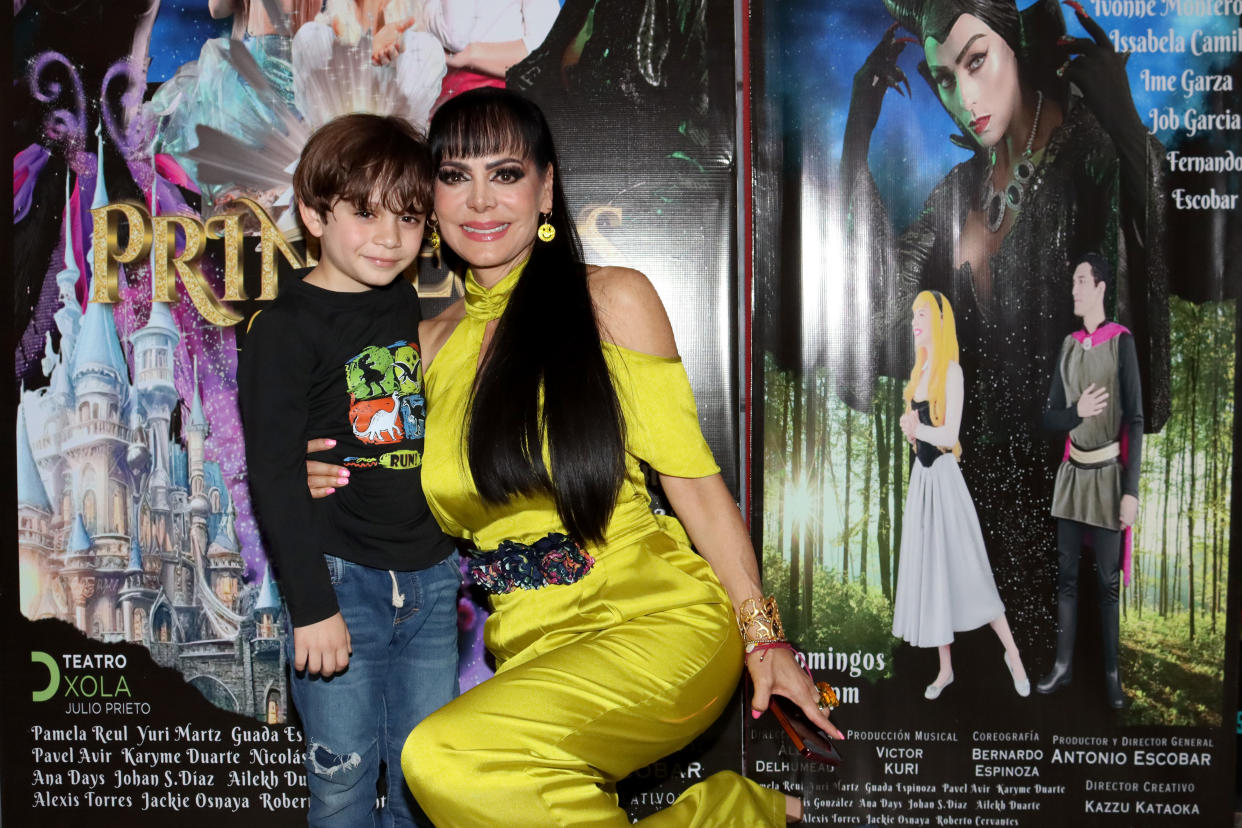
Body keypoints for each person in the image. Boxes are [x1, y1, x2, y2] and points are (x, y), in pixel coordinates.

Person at [306, 87, 840, 826]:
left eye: (506, 173)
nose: (481, 200)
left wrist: (764, 634)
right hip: (530, 648)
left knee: (438, 756)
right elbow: (388, 503)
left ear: (547, 187)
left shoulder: (612, 301)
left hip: (658, 621)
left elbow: (693, 482)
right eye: (455, 176)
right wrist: (325, 474)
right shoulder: (423, 350)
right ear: (430, 197)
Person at [839, 0, 1168, 657]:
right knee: (966, 686)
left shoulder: (1088, 156)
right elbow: (884, 303)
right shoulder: (955, 192)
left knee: (1053, 686)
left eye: (976, 59)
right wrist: (858, 126)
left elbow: (1147, 239)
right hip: (969, 488)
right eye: (943, 78)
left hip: (1062, 490)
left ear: (1015, 46)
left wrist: (1125, 123)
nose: (963, 95)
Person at [238, 113, 460, 828]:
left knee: (425, 777)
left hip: (430, 578)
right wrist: (311, 607)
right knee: (342, 777)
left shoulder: (400, 299)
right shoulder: (282, 328)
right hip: (340, 582)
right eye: (364, 213)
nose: (390, 238)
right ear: (312, 212)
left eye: (408, 217)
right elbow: (273, 476)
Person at [893, 291, 1029, 699]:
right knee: (933, 574)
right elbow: (920, 440)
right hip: (923, 481)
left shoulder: (951, 371)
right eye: (912, 314)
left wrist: (916, 430)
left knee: (972, 570)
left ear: (937, 319)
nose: (914, 321)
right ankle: (945, 669)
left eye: (921, 314)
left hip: (947, 481)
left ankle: (1014, 655)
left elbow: (951, 435)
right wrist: (911, 434)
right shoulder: (919, 375)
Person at [1036, 253, 1142, 709]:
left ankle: (1111, 676)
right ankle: (1062, 667)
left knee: (1106, 583)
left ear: (1100, 287)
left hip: (1106, 478)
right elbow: (1049, 417)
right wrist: (1075, 413)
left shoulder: (1122, 343)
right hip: (1071, 476)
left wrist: (1131, 491)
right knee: (1066, 578)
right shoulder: (1068, 346)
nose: (1074, 289)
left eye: (1081, 281)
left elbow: (1135, 418)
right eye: (1073, 281)